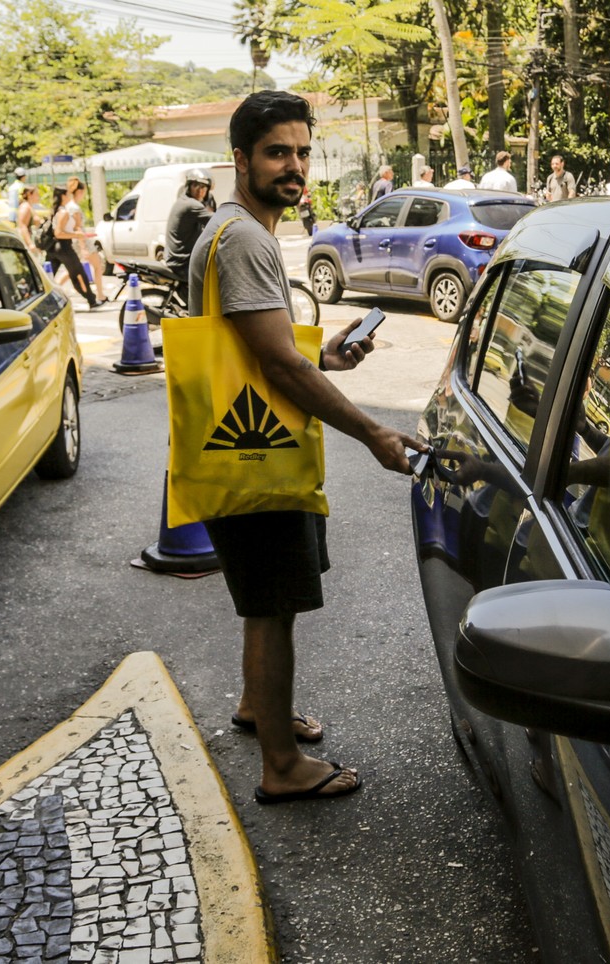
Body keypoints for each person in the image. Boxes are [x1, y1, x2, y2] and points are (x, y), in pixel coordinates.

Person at [188, 89, 427, 804]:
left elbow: (258, 349)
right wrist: (375, 432)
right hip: (254, 453)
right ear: (240, 160)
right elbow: (275, 365)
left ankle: (258, 705)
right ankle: (281, 766)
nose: (293, 167)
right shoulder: (248, 240)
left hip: (237, 441)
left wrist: (323, 356)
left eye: (300, 152)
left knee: (269, 601)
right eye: (276, 153)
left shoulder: (227, 231)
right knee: (272, 606)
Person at [165, 168, 215, 302]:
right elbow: (218, 221)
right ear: (188, 187)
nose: (200, 190)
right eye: (195, 186)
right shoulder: (192, 205)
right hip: (182, 262)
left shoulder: (183, 200)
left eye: (203, 187)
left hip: (178, 258)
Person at [51, 179, 100, 309]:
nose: (70, 196)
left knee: (50, 276)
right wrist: (76, 235)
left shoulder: (57, 210)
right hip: (64, 247)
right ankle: (92, 300)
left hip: (56, 249)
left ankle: (91, 299)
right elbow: (58, 233)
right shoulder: (63, 212)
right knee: (79, 275)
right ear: (63, 196)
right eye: (67, 194)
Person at [16, 184, 42, 255]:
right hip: (27, 244)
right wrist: (30, 244)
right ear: (29, 194)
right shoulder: (25, 207)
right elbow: (22, 226)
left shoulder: (29, 207)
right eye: (36, 194)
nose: (38, 196)